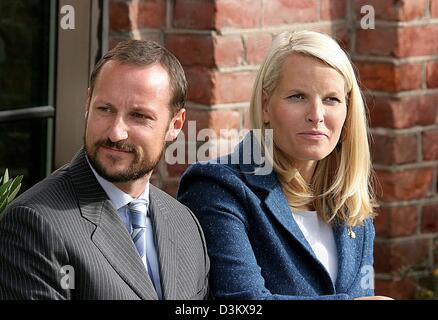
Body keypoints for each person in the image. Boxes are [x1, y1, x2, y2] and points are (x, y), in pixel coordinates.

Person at [177, 30, 392, 300]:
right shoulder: (218, 188)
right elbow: (243, 303)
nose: (316, 116)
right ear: (266, 106)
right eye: (297, 97)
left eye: (331, 99)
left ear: (348, 110)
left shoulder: (350, 203)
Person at [0, 40, 209, 300]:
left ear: (175, 124)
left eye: (139, 116)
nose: (115, 132)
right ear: (88, 103)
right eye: (105, 109)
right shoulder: (35, 224)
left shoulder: (185, 224)